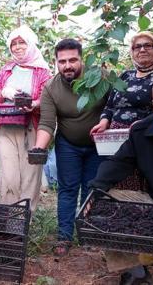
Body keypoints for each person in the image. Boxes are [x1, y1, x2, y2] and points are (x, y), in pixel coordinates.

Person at [34, 38, 106, 255]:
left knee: (92, 188)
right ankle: (64, 237)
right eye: (62, 61)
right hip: (68, 145)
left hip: (97, 146)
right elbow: (47, 123)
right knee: (67, 189)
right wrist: (39, 148)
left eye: (73, 60)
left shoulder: (100, 78)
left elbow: (111, 108)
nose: (68, 65)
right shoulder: (51, 88)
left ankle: (89, 234)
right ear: (55, 62)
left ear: (81, 59)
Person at [89, 79, 153, 285]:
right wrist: (96, 188)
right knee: (107, 202)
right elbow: (118, 163)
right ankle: (135, 273)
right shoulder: (142, 131)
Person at [0, 25, 51, 213]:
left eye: (21, 42)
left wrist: (34, 103)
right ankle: (8, 214)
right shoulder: (6, 70)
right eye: (13, 44)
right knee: (9, 173)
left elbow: (48, 99)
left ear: (30, 44)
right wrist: (3, 92)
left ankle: (24, 217)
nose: (17, 47)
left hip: (31, 125)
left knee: (31, 172)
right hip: (6, 126)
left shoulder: (43, 71)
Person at [90, 31, 153, 191]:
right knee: (115, 174)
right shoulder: (125, 75)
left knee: (141, 179)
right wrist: (103, 122)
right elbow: (110, 105)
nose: (142, 50)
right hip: (115, 137)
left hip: (145, 137)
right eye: (137, 47)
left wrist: (143, 124)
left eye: (147, 45)